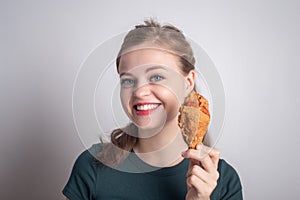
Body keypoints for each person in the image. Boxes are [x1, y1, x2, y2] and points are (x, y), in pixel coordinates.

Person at [63, 19, 243, 200]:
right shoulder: (92, 166)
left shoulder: (223, 181)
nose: (139, 92)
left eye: (156, 77)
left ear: (188, 83)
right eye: (128, 80)